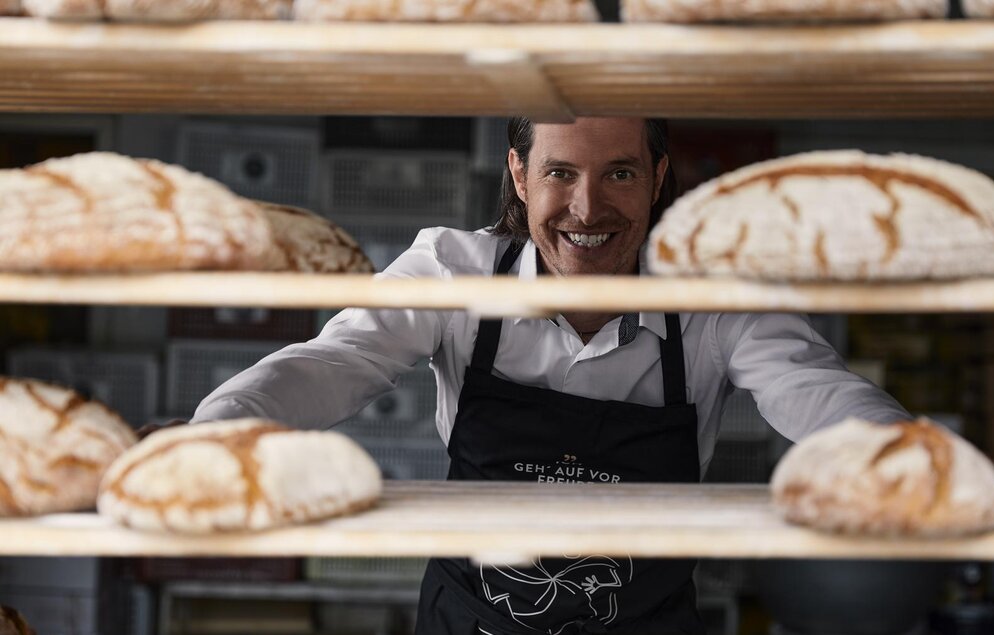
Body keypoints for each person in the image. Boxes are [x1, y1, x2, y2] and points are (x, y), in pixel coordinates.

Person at [191, 116, 909, 634]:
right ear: (518, 173)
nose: (587, 209)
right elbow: (337, 358)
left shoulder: (715, 303)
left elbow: (818, 391)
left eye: (619, 173)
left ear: (658, 177)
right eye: (561, 173)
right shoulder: (454, 270)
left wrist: (908, 461)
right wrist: (212, 434)